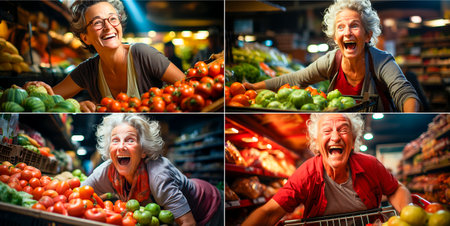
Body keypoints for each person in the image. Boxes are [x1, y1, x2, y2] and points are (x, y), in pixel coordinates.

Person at [244, 0, 420, 112]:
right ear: (335, 37)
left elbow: (405, 93)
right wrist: (253, 87)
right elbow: (296, 79)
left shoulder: (382, 60)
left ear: (367, 35)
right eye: (341, 27)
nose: (347, 33)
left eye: (354, 26)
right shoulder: (331, 60)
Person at [242, 113, 412, 226]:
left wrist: (408, 215)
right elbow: (269, 212)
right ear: (316, 143)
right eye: (327, 131)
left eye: (343, 129)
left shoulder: (370, 165)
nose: (336, 136)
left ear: (353, 141)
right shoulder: (307, 173)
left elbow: (396, 189)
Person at [25, 0, 185, 112]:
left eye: (113, 19)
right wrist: (75, 106)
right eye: (97, 23)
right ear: (85, 37)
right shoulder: (87, 70)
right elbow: (50, 100)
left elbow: (189, 88)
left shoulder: (143, 54)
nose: (109, 27)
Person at [81, 114, 223, 226]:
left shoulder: (158, 175)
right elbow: (76, 194)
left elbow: (188, 222)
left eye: (130, 140)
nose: (121, 146)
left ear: (144, 150)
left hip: (209, 206)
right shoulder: (107, 171)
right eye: (115, 140)